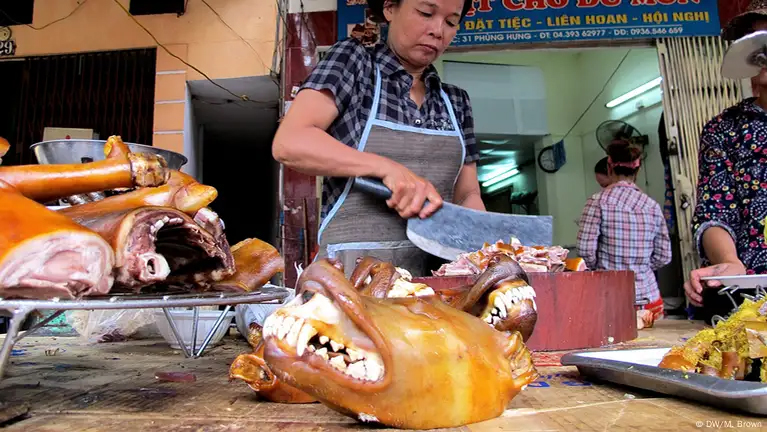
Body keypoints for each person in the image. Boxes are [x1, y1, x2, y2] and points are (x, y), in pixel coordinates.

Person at [272, 0, 484, 276]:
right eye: (426, 13)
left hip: (433, 281)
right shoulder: (355, 63)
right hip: (350, 278)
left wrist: (479, 248)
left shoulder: (456, 101)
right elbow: (291, 141)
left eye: (451, 22)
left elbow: (468, 193)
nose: (437, 30)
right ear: (389, 8)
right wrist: (387, 168)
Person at [684, 2, 767, 321]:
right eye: (757, 41)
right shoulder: (725, 128)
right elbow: (715, 209)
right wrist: (729, 261)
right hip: (754, 301)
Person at [577, 141, 672, 321]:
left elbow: (584, 252)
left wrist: (604, 269)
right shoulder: (651, 206)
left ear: (609, 166)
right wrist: (638, 268)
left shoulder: (597, 202)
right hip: (649, 300)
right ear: (637, 170)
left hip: (610, 298)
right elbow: (664, 256)